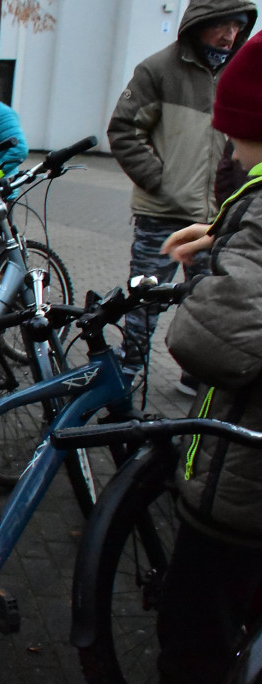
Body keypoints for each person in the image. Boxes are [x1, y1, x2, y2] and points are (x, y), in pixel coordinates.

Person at [155, 29, 262, 684]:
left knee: (194, 638)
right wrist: (227, 233)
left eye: (237, 131)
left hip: (243, 489)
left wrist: (208, 272)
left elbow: (208, 342)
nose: (230, 146)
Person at [107, 0, 256, 394]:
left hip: (218, 218)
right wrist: (160, 180)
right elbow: (123, 129)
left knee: (207, 303)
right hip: (163, 215)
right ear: (199, 22)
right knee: (145, 299)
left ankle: (197, 376)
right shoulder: (158, 69)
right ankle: (128, 372)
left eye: (237, 26)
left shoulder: (241, 73)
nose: (229, 35)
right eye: (221, 25)